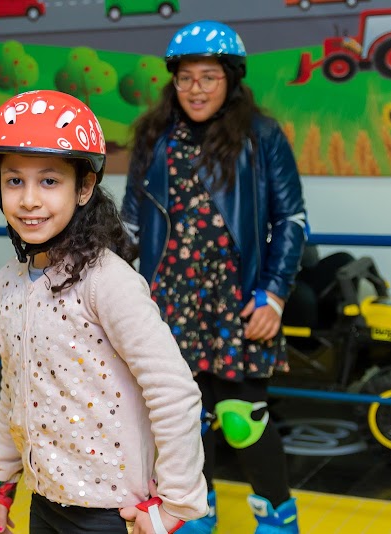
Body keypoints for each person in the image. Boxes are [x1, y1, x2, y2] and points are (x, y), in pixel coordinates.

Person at [0, 90, 209, 534]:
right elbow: (14, 389)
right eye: (14, 181)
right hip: (45, 497)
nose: (29, 200)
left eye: (49, 181)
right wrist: (2, 478)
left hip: (110, 511)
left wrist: (177, 503)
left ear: (84, 188)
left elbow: (174, 392)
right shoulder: (8, 281)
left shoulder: (108, 281)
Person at [120, 21, 307, 534]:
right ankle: (195, 512)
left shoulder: (261, 135)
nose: (195, 88)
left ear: (231, 78)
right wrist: (117, 290)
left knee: (244, 419)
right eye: (185, 77)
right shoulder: (155, 137)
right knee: (185, 419)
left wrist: (274, 294)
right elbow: (131, 222)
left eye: (208, 77)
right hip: (169, 298)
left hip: (236, 297)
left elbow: (290, 219)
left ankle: (279, 520)